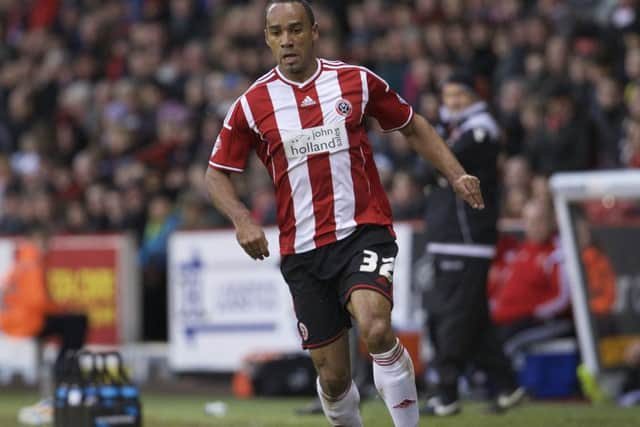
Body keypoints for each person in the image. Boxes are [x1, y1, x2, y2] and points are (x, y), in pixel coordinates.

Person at [205, 1, 485, 426]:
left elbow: (413, 125)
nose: (287, 40)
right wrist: (242, 219)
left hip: (363, 231)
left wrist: (457, 174)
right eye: (277, 32)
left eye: (296, 29)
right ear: (266, 38)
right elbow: (216, 174)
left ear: (314, 31)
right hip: (303, 251)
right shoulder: (252, 104)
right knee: (333, 377)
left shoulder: (355, 81)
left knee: (375, 328)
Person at [421, 70, 524, 416]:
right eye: (448, 97)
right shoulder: (457, 131)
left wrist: (431, 159)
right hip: (451, 236)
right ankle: (508, 385)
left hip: (464, 236)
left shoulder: (481, 131)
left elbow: (438, 166)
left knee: (453, 318)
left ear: (477, 98)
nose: (452, 104)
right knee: (472, 318)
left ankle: (446, 392)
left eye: (459, 97)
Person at [0, 230, 88, 425]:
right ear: (37, 239)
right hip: (27, 322)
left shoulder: (22, 259)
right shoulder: (32, 261)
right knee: (77, 321)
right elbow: (37, 301)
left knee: (71, 323)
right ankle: (65, 371)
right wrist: (61, 307)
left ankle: (65, 368)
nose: (48, 247)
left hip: (15, 321)